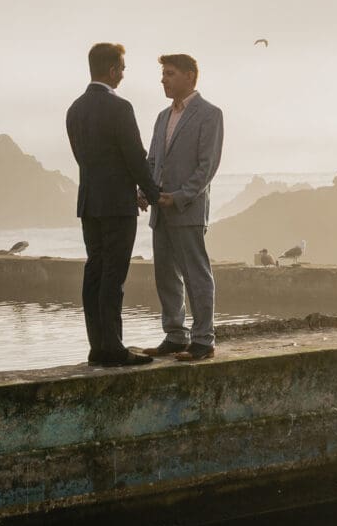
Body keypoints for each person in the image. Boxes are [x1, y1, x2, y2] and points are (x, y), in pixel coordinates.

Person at [66, 42, 160, 367]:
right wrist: (153, 193)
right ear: (112, 70)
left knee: (94, 270)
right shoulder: (120, 108)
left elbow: (86, 160)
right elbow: (134, 157)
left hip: (89, 202)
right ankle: (114, 348)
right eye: (122, 67)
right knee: (113, 277)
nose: (123, 74)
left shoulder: (74, 109)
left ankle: (97, 346)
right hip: (117, 207)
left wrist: (127, 188)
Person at [146, 53, 224, 360]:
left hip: (187, 209)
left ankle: (203, 340)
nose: (163, 79)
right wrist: (146, 191)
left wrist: (179, 196)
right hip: (160, 209)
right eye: (163, 73)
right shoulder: (162, 117)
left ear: (190, 76)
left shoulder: (209, 114)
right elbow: (153, 161)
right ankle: (176, 335)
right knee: (165, 274)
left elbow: (207, 167)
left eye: (170, 73)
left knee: (196, 274)